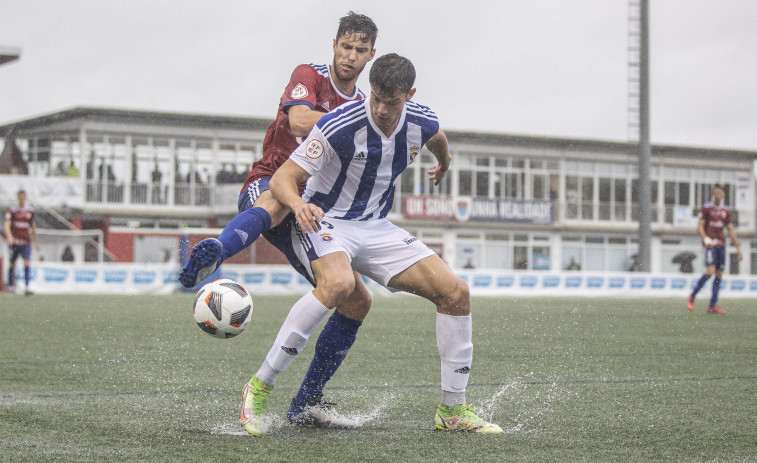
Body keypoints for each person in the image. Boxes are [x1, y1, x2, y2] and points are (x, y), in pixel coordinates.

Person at [258, 53, 503, 434]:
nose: (381, 109)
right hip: (330, 221)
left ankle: (452, 411)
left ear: (409, 95)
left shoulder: (421, 119)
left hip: (376, 227)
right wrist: (297, 203)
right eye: (375, 98)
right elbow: (282, 179)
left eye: (392, 102)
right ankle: (260, 385)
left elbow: (436, 135)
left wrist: (445, 161)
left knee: (456, 292)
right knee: (339, 285)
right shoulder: (340, 124)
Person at [173, 12, 378, 436]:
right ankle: (217, 250)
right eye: (346, 46)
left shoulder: (364, 106)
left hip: (313, 211)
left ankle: (307, 402)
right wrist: (347, 124)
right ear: (334, 44)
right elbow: (299, 120)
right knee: (280, 200)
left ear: (370, 56)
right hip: (269, 183)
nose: (351, 56)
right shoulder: (310, 76)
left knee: (356, 299)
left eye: (360, 50)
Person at [687, 184, 742, 314]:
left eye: (720, 193)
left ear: (723, 195)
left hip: (721, 246)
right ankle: (692, 296)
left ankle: (712, 305)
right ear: (713, 194)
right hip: (710, 245)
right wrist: (706, 238)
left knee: (719, 275)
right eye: (715, 192)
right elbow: (699, 227)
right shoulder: (707, 208)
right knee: (710, 272)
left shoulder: (726, 211)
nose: (717, 195)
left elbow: (730, 230)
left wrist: (738, 247)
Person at [4, 190, 41, 295]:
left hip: (26, 242)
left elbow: (33, 227)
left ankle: (27, 287)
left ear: (26, 198)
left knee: (26, 263)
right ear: (17, 198)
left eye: (23, 197)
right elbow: (7, 224)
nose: (22, 198)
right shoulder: (12, 210)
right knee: (12, 264)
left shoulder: (30, 211)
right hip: (14, 242)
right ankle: (11, 287)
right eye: (20, 197)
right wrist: (10, 237)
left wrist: (36, 242)